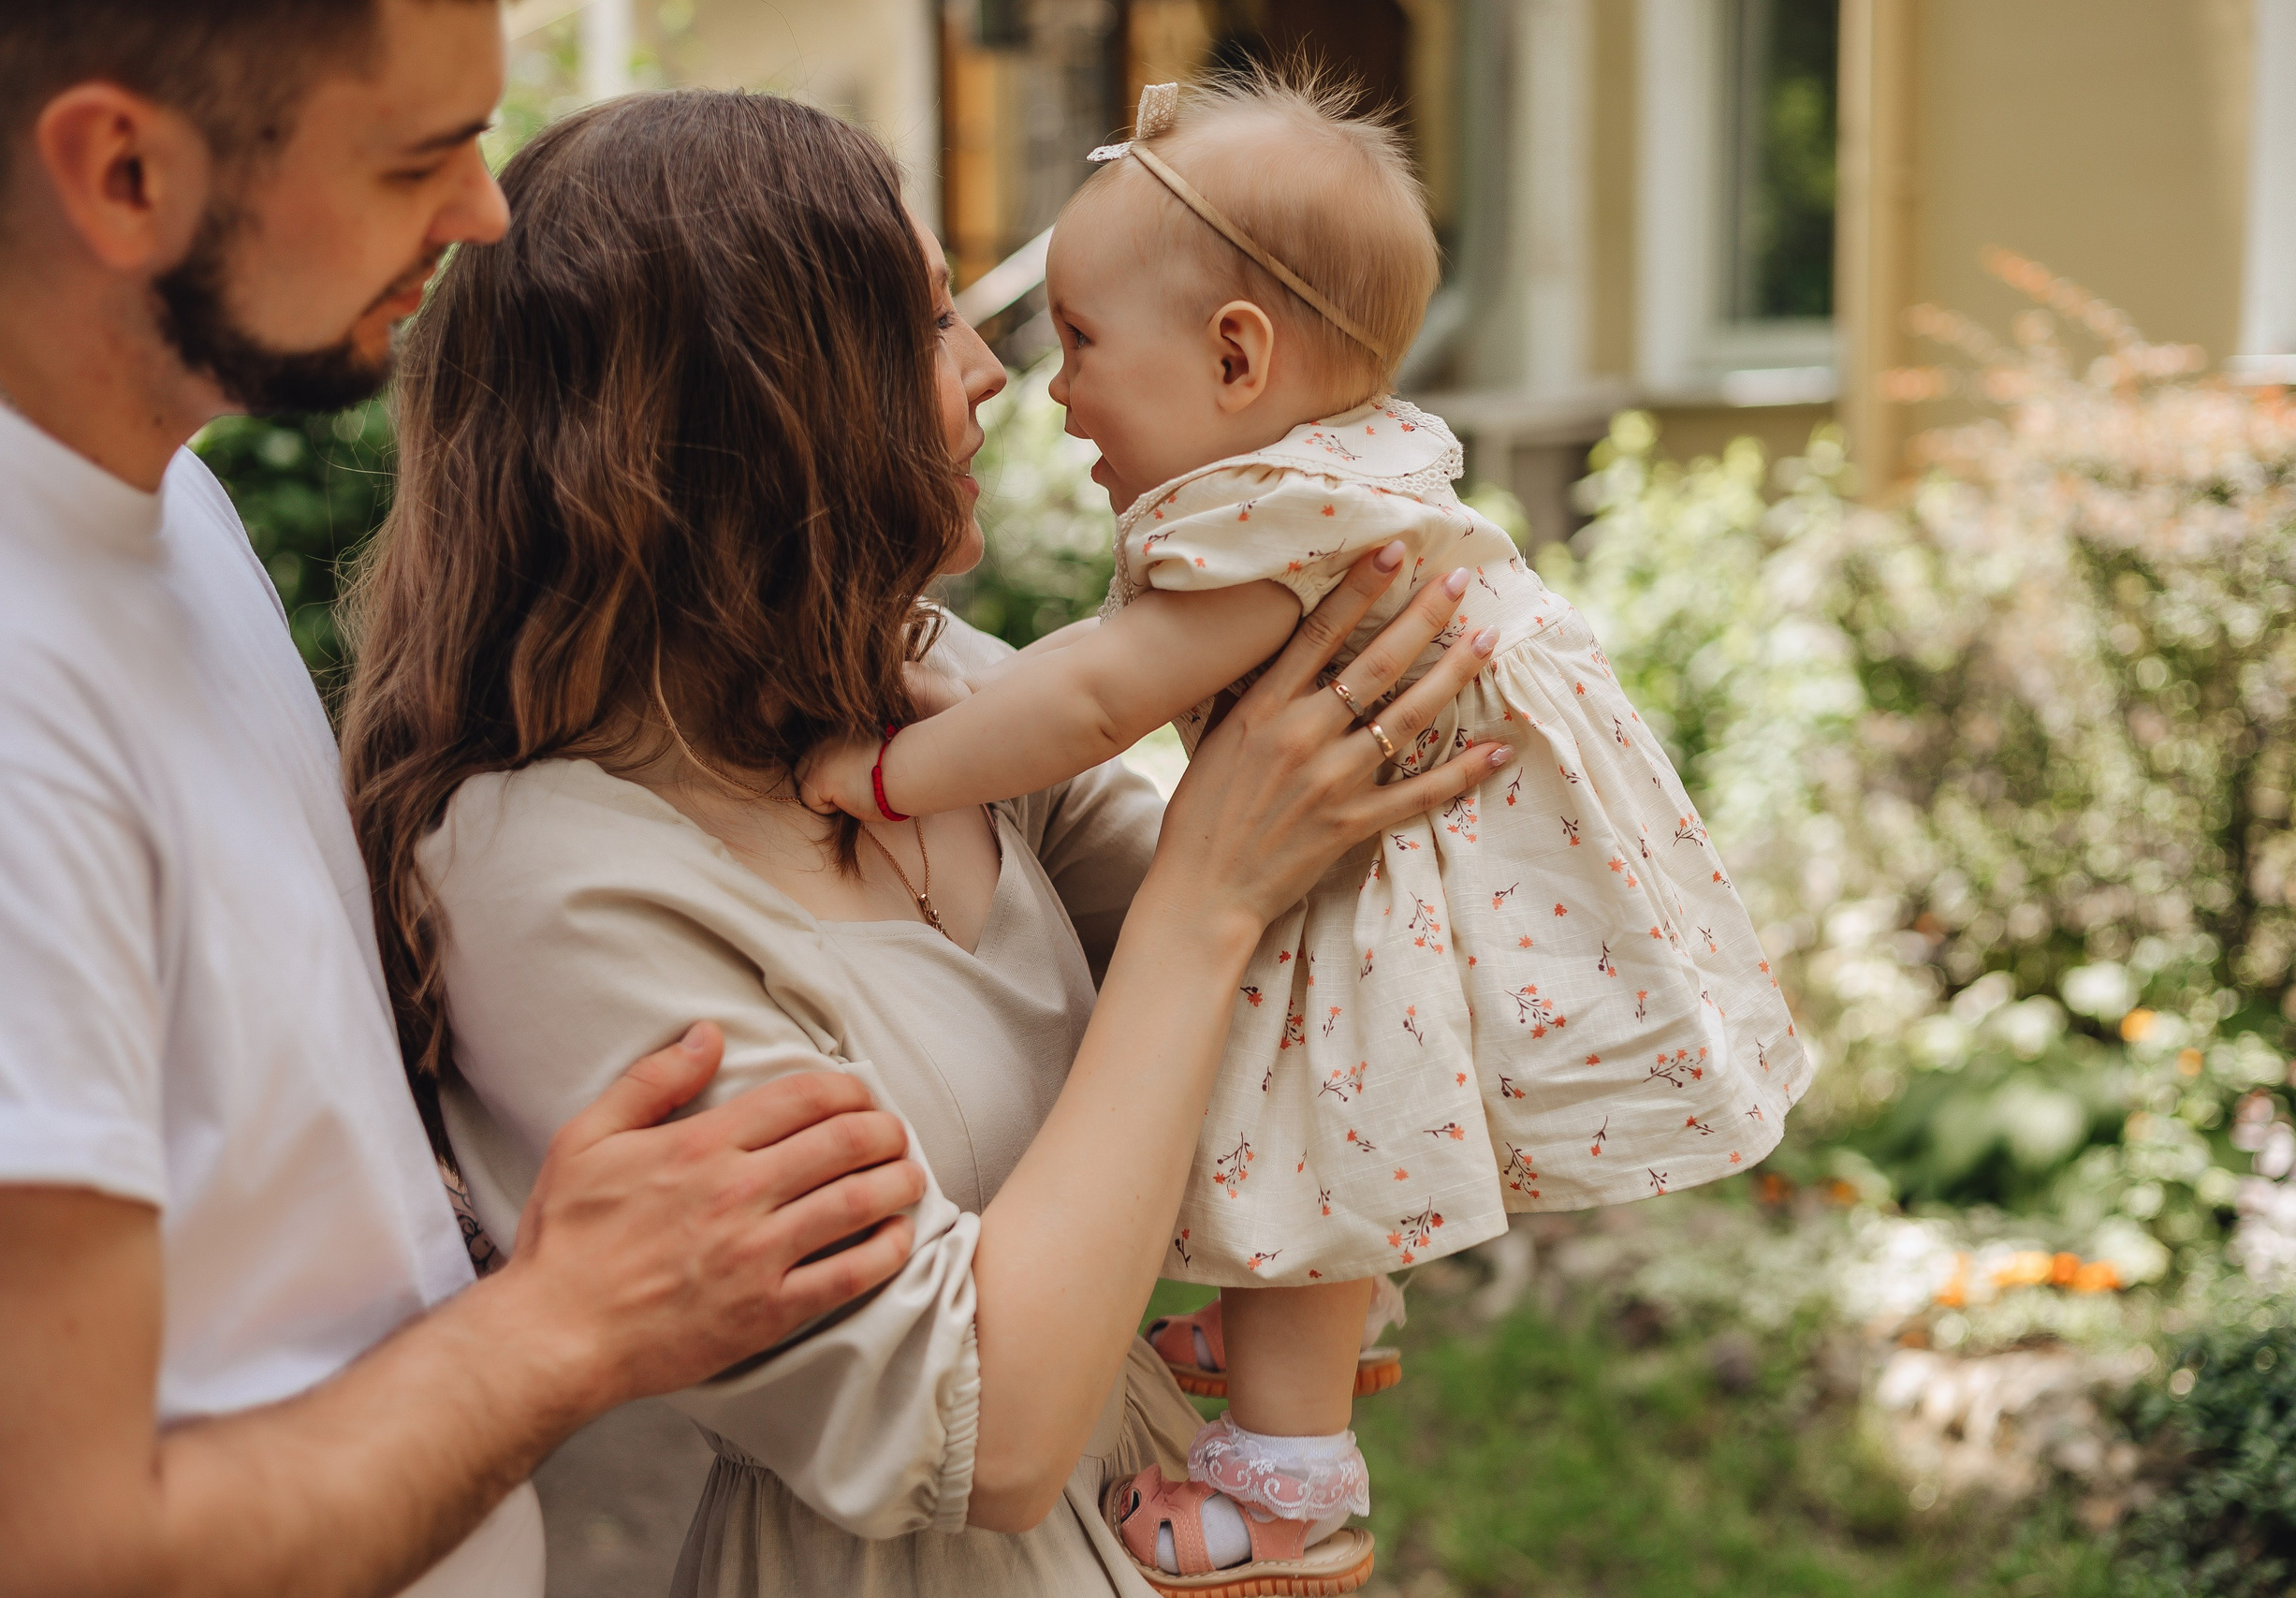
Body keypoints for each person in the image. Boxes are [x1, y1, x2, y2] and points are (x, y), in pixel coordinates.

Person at [337, 88, 1509, 1597]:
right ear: (758, 408)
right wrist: (1213, 894)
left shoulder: (915, 682)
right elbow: (981, 1428)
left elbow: (1312, 996)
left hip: (1156, 1526)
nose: (990, 373)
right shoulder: (545, 878)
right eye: (929, 322)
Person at [800, 74, 1819, 1587]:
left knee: (1298, 1106)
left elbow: (1094, 699)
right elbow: (1097, 687)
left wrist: (884, 776)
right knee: (1303, 1088)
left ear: (1236, 356)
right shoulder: (1349, 470)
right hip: (1416, 874)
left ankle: (1285, 1488)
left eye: (1081, 339)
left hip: (1374, 886)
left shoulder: (1275, 522)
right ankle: (1318, 1310)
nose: (1048, 386)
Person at [0, 7, 930, 1595]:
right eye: (414, 158)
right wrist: (570, 1321)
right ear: (124, 171)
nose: (481, 213)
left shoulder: (165, 500)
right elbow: (78, 1551)